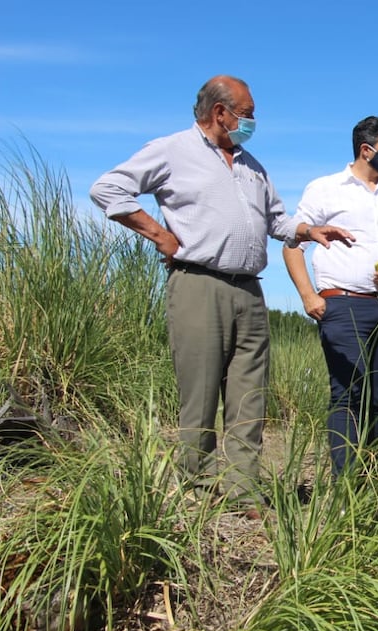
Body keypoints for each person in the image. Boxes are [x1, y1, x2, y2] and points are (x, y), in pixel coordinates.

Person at [89, 75, 351, 517]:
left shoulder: (252, 165)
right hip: (199, 283)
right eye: (247, 114)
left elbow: (277, 220)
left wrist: (309, 230)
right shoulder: (172, 151)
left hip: (249, 289)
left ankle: (243, 487)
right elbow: (107, 189)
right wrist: (158, 234)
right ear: (219, 112)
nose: (252, 122)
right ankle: (199, 483)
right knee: (201, 388)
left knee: (251, 393)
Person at [283, 116, 378, 478]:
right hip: (342, 304)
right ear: (367, 150)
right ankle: (345, 488)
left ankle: (370, 480)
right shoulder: (324, 189)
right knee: (348, 394)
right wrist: (309, 296)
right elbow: (293, 243)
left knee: (376, 396)